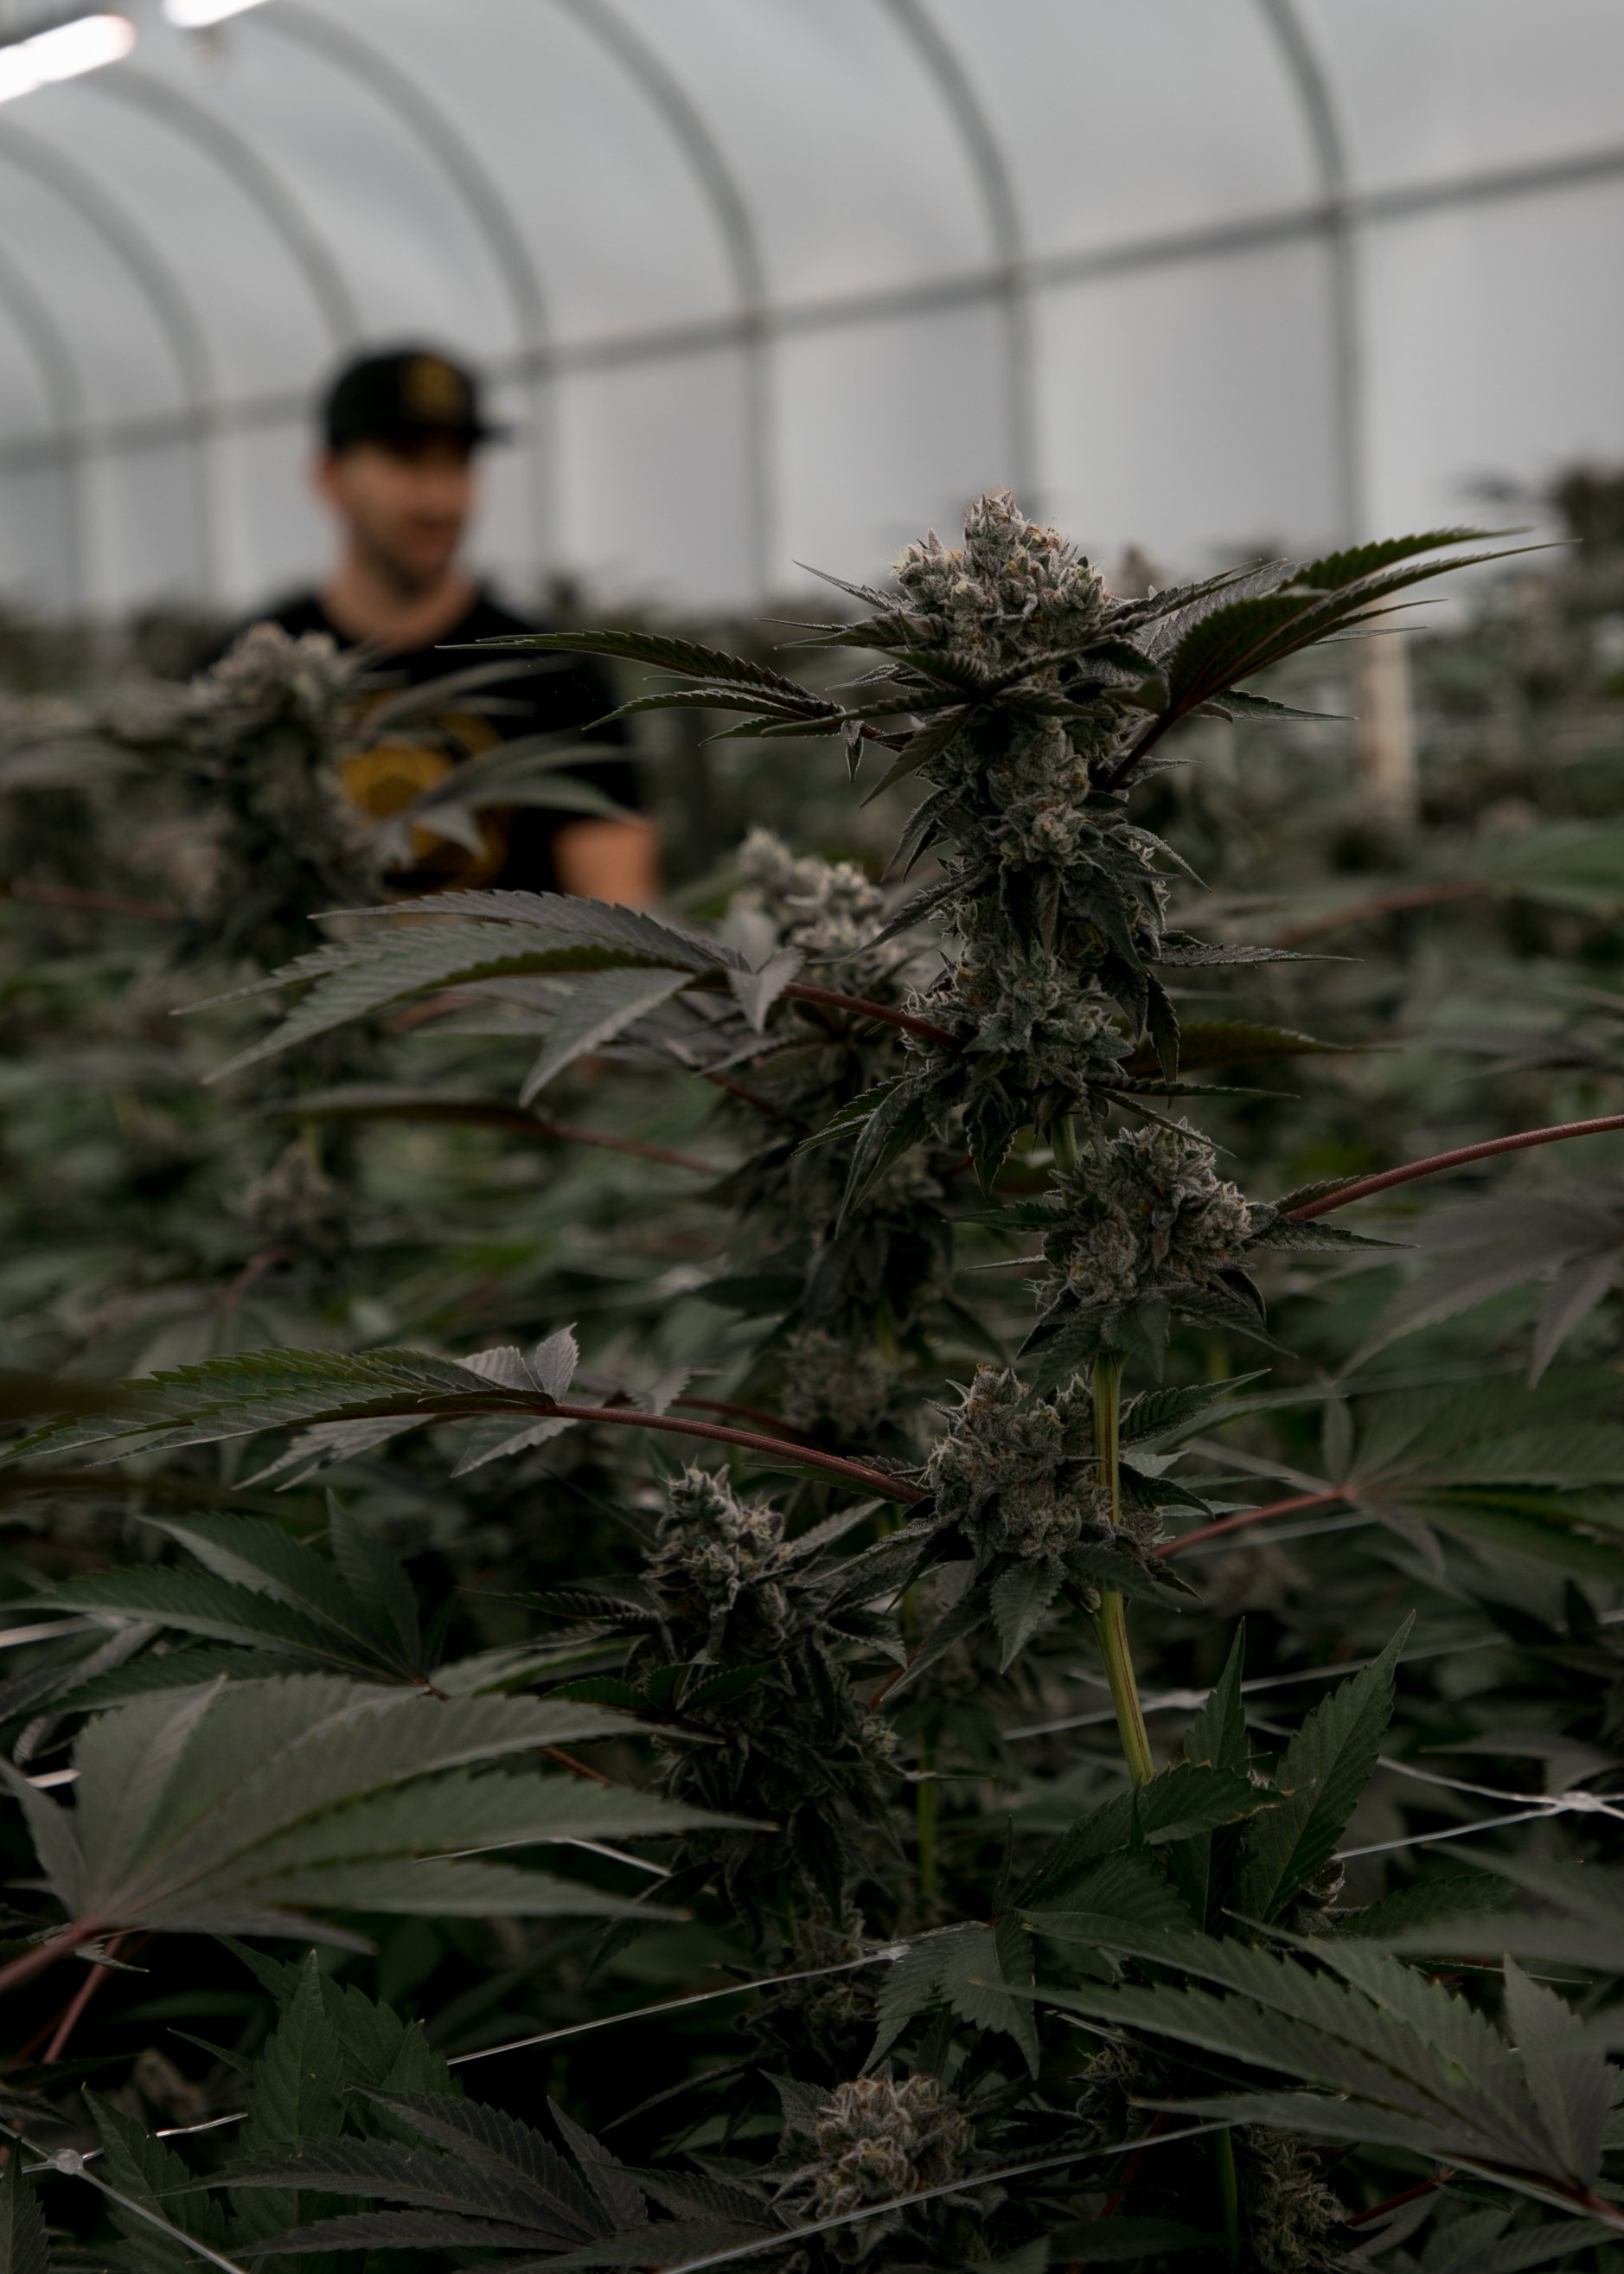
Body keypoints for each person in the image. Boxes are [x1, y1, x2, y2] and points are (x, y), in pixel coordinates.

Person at [251, 345, 656, 903]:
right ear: (330, 478)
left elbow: (625, 923)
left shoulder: (562, 678)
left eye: (457, 463)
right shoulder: (251, 678)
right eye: (407, 461)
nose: (439, 500)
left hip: (515, 991)